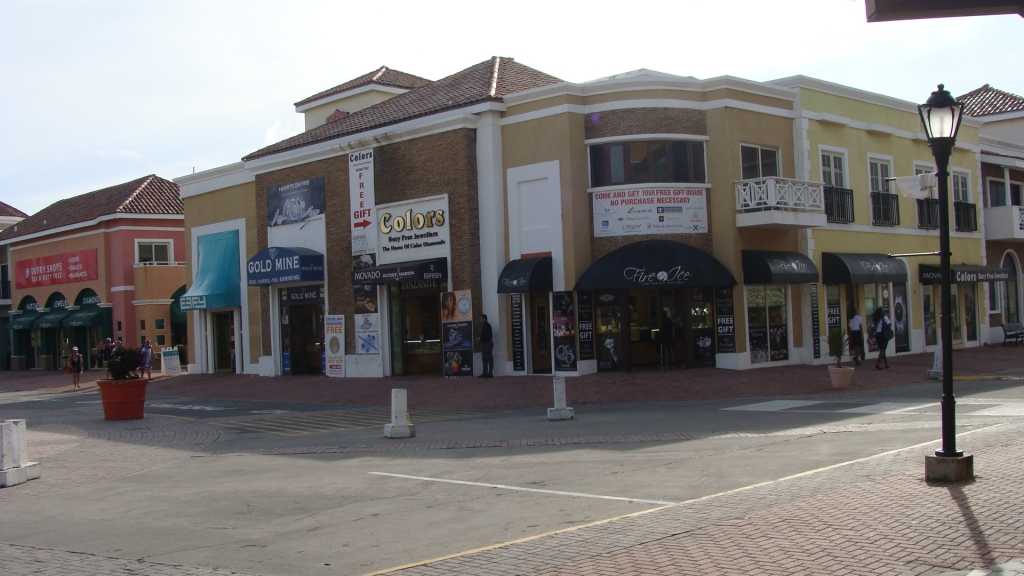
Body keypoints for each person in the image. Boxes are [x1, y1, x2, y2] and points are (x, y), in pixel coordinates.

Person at [477, 314, 493, 378]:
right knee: (484, 359)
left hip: (487, 344)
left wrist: (480, 339)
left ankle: (489, 372)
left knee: (488, 358)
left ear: (484, 319)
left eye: (481, 318)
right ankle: (485, 372)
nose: (480, 320)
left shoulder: (487, 326)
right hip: (485, 343)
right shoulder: (485, 326)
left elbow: (485, 336)